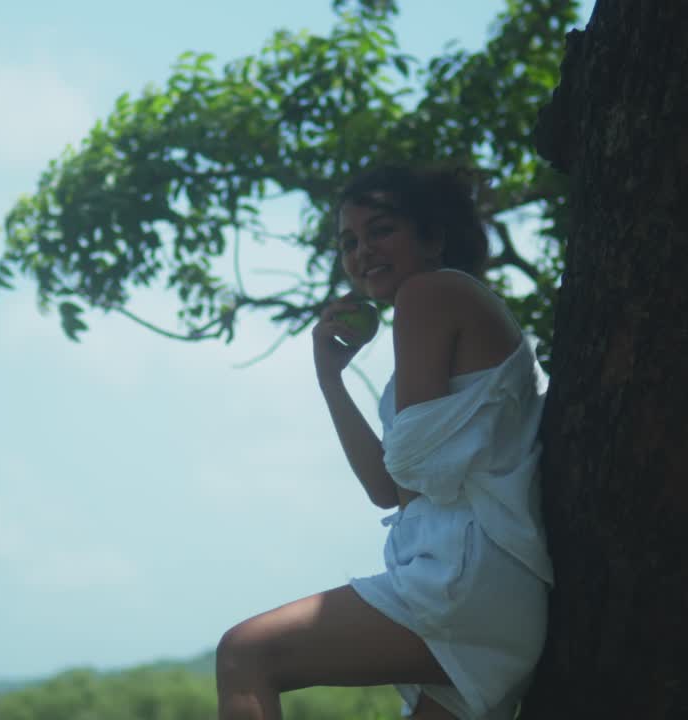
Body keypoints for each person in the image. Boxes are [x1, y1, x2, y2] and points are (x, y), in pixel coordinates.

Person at [215, 163, 555, 720]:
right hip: (496, 592)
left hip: (461, 581)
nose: (362, 251)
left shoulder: (430, 293)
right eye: (349, 241)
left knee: (245, 653)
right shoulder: (444, 305)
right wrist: (331, 378)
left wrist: (407, 476)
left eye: (381, 230)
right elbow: (386, 487)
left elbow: (410, 474)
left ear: (433, 235)